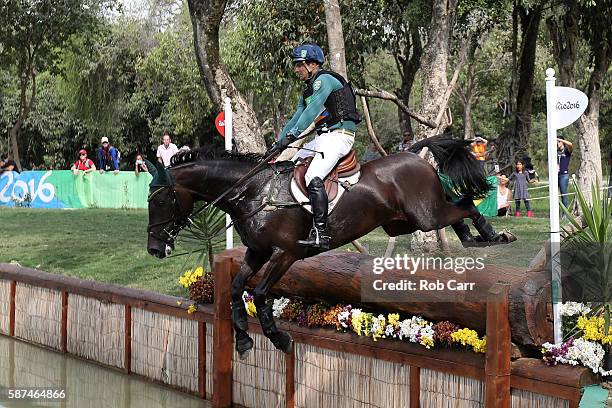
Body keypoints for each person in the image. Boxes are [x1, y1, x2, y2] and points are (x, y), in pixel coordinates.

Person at [267, 44, 361, 249]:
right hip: (323, 138)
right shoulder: (306, 91)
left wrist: (291, 137)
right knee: (291, 164)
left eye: (299, 65)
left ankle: (321, 234)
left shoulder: (324, 80)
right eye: (295, 65)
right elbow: (296, 119)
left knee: (312, 176)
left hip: (340, 136)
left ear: (312, 64)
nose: (296, 69)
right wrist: (277, 145)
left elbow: (312, 112)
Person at [557, 137, 573, 208]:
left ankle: (565, 215)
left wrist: (560, 139)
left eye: (559, 142)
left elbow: (570, 144)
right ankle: (556, 213)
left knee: (564, 195)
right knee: (554, 195)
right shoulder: (555, 151)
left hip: (564, 175)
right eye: (556, 142)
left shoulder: (567, 151)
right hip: (555, 175)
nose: (557, 143)